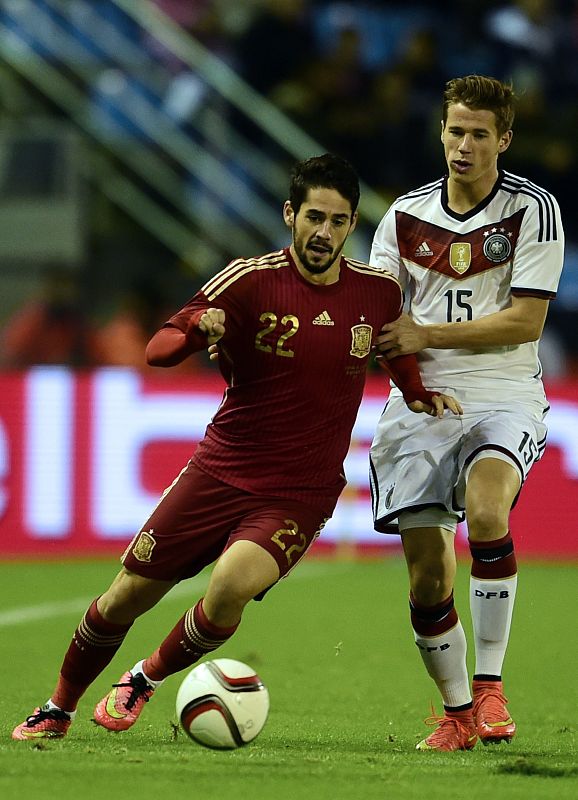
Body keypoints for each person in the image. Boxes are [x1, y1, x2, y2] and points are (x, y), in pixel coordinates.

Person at [12, 153, 461, 741]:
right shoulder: (248, 280)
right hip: (220, 472)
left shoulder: (376, 292)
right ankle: (59, 707)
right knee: (124, 597)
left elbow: (393, 349)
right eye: (314, 217)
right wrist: (195, 332)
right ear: (290, 214)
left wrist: (419, 393)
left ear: (352, 225)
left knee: (229, 588)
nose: (323, 232)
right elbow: (158, 349)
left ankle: (145, 678)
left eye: (337, 221)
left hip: (299, 492)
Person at [369, 75, 565, 751]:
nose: (464, 145)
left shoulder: (533, 208)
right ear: (441, 132)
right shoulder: (403, 216)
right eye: (456, 130)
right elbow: (384, 319)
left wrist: (427, 334)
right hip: (420, 398)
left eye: (480, 134)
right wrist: (411, 380)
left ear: (503, 140)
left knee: (486, 512)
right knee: (427, 576)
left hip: (503, 390)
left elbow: (526, 322)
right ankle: (457, 713)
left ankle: (490, 686)